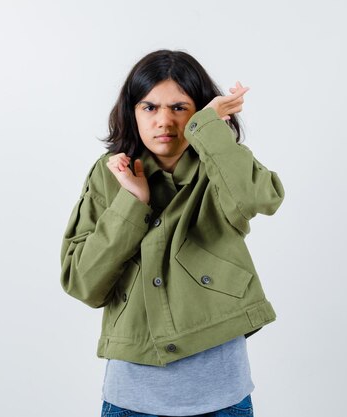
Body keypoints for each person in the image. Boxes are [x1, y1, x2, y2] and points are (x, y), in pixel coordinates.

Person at [60, 49, 285, 417]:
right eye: (149, 107)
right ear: (132, 113)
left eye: (180, 108)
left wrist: (212, 130)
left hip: (222, 395)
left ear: (199, 111)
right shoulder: (108, 174)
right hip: (131, 397)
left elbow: (260, 199)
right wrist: (132, 202)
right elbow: (83, 282)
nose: (164, 121)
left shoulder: (222, 163)